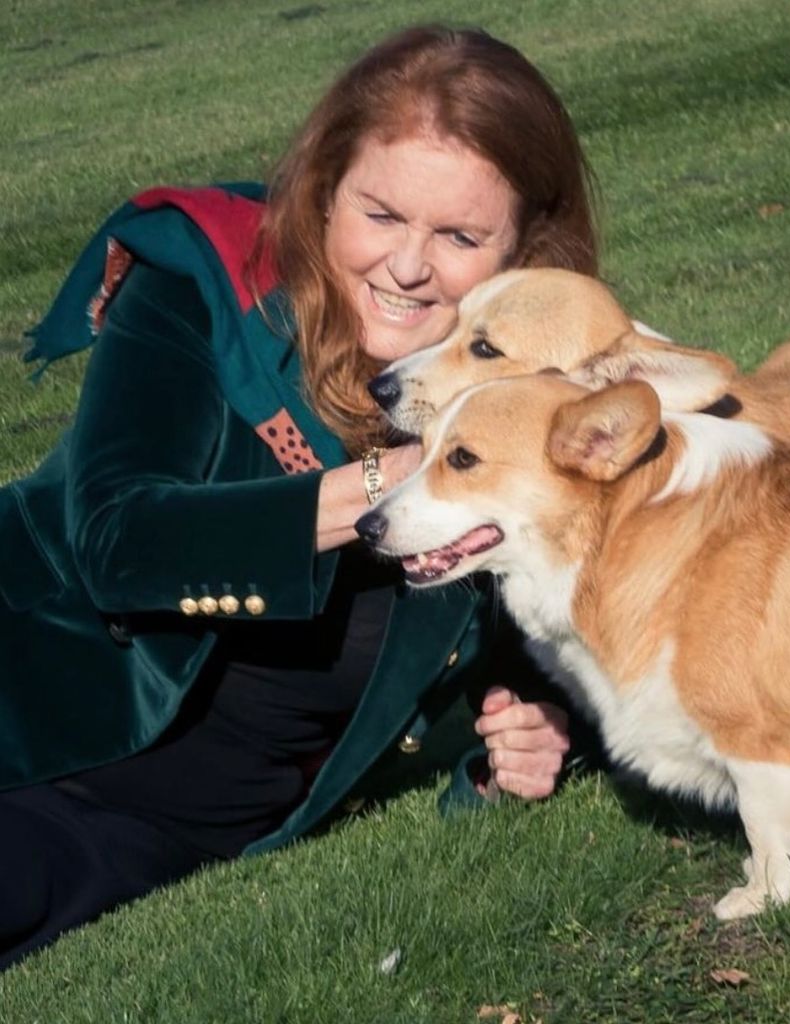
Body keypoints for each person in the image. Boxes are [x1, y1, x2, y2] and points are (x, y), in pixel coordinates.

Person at [0, 24, 600, 970]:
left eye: (460, 237)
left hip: (155, 829)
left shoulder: (543, 406)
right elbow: (117, 543)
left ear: (527, 251)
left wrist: (527, 730)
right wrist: (387, 482)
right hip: (30, 688)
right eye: (382, 215)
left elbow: (587, 630)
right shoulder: (205, 285)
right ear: (323, 194)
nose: (408, 267)